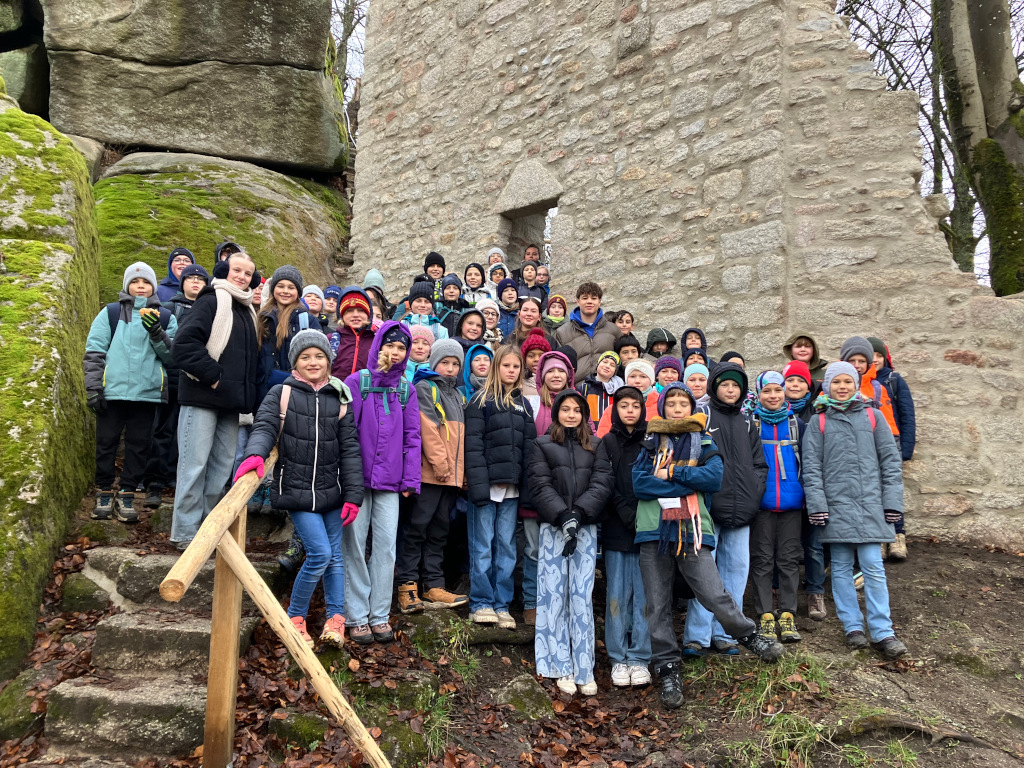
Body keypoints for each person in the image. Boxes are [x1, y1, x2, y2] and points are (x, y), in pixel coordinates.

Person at [633, 383, 784, 709]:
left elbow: (714, 478)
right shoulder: (649, 442)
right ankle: (668, 667)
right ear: (663, 408)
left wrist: (671, 471)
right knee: (657, 605)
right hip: (653, 530)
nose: (676, 408)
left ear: (691, 408)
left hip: (692, 530)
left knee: (713, 592)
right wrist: (687, 475)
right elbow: (639, 483)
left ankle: (747, 635)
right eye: (670, 402)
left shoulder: (703, 440)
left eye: (682, 403)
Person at [234, 330, 364, 647]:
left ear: (329, 361)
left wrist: (353, 495)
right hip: (296, 488)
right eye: (305, 357)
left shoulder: (339, 398)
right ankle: (295, 618)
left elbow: (350, 450)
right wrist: (255, 454)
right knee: (319, 553)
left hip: (332, 490)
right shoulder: (282, 393)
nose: (313, 361)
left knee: (335, 557)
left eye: (319, 356)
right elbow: (264, 426)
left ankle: (336, 620)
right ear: (295, 362)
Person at [802, 362, 908, 660]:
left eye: (848, 381)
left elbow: (890, 462)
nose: (843, 387)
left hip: (871, 506)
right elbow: (811, 469)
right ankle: (852, 626)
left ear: (857, 384)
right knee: (840, 568)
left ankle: (882, 630)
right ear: (827, 386)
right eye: (837, 382)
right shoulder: (818, 423)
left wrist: (892, 503)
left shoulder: (874, 418)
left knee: (873, 567)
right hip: (835, 509)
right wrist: (818, 505)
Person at [170, 252, 260, 548]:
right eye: (237, 270)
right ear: (225, 270)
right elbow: (183, 346)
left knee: (221, 471)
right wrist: (215, 377)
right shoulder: (211, 300)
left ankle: (208, 532)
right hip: (202, 397)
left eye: (248, 273)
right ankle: (184, 533)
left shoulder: (248, 311)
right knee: (193, 467)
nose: (242, 277)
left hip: (232, 405)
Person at [343, 321, 422, 645]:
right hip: (359, 481)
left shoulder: (406, 389)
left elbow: (412, 437)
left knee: (386, 549)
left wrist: (410, 478)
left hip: (391, 482)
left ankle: (378, 615)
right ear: (379, 347)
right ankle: (356, 617)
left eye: (401, 348)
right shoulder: (357, 383)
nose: (394, 352)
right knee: (355, 547)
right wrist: (347, 478)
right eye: (389, 345)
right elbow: (347, 433)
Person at [531, 390, 614, 696]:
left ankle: (583, 667)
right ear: (556, 414)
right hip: (554, 529)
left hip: (585, 529)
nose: (570, 414)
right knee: (554, 596)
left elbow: (602, 481)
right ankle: (558, 665)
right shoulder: (541, 445)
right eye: (564, 409)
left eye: (576, 410)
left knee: (580, 596)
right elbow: (539, 484)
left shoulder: (595, 445)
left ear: (584, 414)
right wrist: (562, 515)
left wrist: (579, 513)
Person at [682, 362, 767, 657]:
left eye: (735, 386)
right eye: (724, 385)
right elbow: (692, 456)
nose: (730, 390)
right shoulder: (703, 416)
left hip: (743, 510)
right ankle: (696, 636)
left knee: (736, 572)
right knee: (706, 575)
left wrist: (755, 495)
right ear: (714, 387)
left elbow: (759, 466)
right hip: (708, 509)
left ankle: (727, 634)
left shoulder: (747, 423)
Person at [85, 262, 177, 522]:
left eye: (146, 282)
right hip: (111, 392)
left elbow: (172, 357)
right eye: (135, 282)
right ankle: (103, 493)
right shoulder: (111, 313)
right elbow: (94, 352)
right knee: (106, 445)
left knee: (139, 447)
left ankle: (126, 495)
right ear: (127, 286)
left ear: (153, 287)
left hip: (146, 393)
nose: (140, 286)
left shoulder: (167, 317)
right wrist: (93, 387)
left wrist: (156, 331)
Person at [464, 346, 537, 629]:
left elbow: (529, 448)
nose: (511, 371)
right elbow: (473, 447)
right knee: (482, 545)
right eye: (506, 365)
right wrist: (478, 487)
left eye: (516, 367)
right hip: (486, 487)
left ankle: (501, 604)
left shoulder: (524, 404)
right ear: (496, 367)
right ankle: (481, 602)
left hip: (512, 489)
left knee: (506, 547)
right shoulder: (480, 401)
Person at [397, 340, 469, 613]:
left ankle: (434, 585)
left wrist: (460, 474)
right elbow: (427, 429)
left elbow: (462, 439)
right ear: (433, 362)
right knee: (417, 529)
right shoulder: (425, 388)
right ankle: (407, 586)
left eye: (455, 364)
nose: (450, 369)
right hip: (431, 475)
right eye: (445, 363)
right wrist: (441, 465)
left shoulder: (458, 395)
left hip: (451, 477)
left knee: (439, 531)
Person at [600, 386, 653, 688]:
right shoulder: (607, 442)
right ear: (616, 409)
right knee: (617, 596)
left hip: (646, 528)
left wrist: (640, 514)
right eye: (624, 405)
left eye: (635, 405)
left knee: (644, 596)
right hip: (617, 528)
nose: (630, 410)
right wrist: (625, 512)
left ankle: (640, 657)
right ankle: (618, 656)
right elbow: (605, 481)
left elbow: (656, 478)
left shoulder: (652, 441)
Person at [749, 371, 806, 644]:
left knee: (788, 560)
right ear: (758, 394)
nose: (773, 396)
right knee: (761, 560)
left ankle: (788, 613)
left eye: (778, 390)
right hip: (761, 504)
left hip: (793, 504)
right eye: (767, 391)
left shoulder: (797, 424)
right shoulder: (752, 424)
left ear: (785, 392)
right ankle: (765, 615)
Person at [146, 263, 209, 507]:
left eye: (200, 279)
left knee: (188, 433)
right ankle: (155, 481)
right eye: (190, 278)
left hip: (196, 378)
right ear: (180, 282)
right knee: (163, 430)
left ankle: (175, 478)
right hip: (171, 376)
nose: (195, 282)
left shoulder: (209, 308)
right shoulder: (168, 308)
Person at [868, 337, 915, 561]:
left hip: (892, 442)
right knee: (871, 490)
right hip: (867, 444)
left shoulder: (894, 381)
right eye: (871, 356)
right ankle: (878, 538)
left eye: (878, 355)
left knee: (891, 489)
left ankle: (897, 536)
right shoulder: (855, 381)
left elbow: (907, 415)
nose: (874, 360)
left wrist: (906, 449)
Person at [258, 266, 323, 389]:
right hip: (263, 389)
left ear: (298, 292)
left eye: (291, 287)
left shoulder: (308, 320)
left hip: (297, 390)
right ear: (273, 289)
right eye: (280, 286)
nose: (285, 291)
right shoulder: (262, 318)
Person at [553, 282, 622, 380]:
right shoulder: (562, 332)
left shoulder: (613, 330)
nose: (589, 301)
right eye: (585, 298)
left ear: (599, 301)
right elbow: (556, 364)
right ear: (578, 301)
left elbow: (627, 353)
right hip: (576, 389)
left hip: (606, 388)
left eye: (593, 298)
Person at [840, 336, 900, 439]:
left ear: (868, 364)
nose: (856, 365)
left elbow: (890, 429)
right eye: (851, 360)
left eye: (861, 361)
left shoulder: (878, 389)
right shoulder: (831, 388)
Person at [596, 359, 658, 438]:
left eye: (643, 376)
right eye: (632, 376)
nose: (637, 381)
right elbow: (603, 437)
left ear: (651, 380)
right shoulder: (613, 408)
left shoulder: (660, 405)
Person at [329, 287, 376, 379]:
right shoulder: (331, 340)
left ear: (368, 315)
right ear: (341, 316)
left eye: (361, 310)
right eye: (349, 310)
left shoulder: (376, 341)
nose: (355, 314)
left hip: (365, 392)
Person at [533, 349, 575, 437]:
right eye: (550, 371)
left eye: (561, 370)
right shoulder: (533, 403)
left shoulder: (578, 401)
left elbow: (590, 433)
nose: (556, 375)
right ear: (543, 377)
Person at [576, 350, 623, 427]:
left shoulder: (618, 392)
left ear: (615, 371)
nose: (607, 366)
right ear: (598, 364)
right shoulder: (584, 388)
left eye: (612, 365)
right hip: (589, 433)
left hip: (610, 433)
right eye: (604, 362)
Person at [520, 327, 552, 402]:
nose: (537, 359)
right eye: (531, 356)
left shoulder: (553, 382)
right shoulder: (518, 383)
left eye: (541, 355)